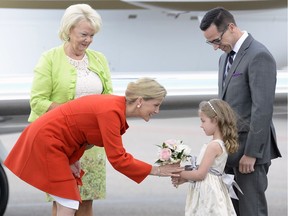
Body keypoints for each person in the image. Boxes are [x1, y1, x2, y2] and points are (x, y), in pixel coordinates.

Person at [4, 77, 183, 216]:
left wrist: (73, 159)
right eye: (156, 105)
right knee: (68, 201)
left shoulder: (114, 107)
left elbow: (79, 131)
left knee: (66, 201)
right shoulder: (111, 111)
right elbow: (118, 159)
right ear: (140, 100)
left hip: (53, 142)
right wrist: (159, 170)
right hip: (47, 142)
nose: (157, 111)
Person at [28, 4, 113, 216]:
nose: (88, 40)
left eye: (92, 35)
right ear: (68, 30)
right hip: (61, 144)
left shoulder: (99, 59)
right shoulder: (49, 58)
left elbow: (109, 98)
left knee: (86, 202)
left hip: (91, 144)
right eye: (84, 34)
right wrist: (73, 116)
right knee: (63, 202)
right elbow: (38, 101)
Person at [199, 7, 282, 215]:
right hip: (229, 151)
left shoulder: (259, 55)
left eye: (216, 40)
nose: (215, 47)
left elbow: (262, 109)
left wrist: (252, 153)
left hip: (249, 154)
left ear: (231, 27)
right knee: (231, 210)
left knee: (251, 211)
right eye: (210, 43)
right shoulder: (224, 58)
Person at [171, 99, 239, 215]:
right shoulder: (216, 143)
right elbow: (207, 174)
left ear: (215, 120)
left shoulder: (214, 146)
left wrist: (177, 172)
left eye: (203, 121)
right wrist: (186, 178)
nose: (201, 125)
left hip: (208, 194)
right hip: (210, 189)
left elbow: (200, 175)